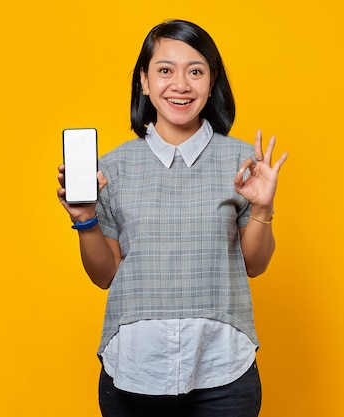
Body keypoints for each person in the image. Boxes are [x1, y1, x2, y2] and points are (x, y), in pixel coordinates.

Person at [57, 19, 287, 417]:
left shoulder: (242, 163)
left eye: (195, 71)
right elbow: (104, 275)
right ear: (144, 81)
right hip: (134, 370)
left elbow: (255, 264)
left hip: (223, 370)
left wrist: (263, 208)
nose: (180, 84)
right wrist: (85, 219)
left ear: (211, 82)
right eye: (165, 70)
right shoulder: (112, 168)